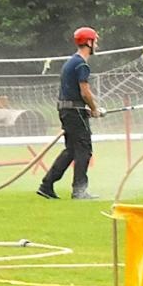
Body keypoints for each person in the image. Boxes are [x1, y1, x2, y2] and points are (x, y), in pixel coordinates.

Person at [38, 26, 104, 200]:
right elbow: (84, 92)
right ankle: (79, 190)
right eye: (95, 41)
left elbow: (74, 93)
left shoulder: (70, 62)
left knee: (71, 150)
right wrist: (95, 109)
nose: (96, 45)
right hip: (74, 112)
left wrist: (87, 108)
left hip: (68, 110)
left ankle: (47, 185)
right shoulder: (82, 64)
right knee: (84, 149)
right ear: (88, 42)